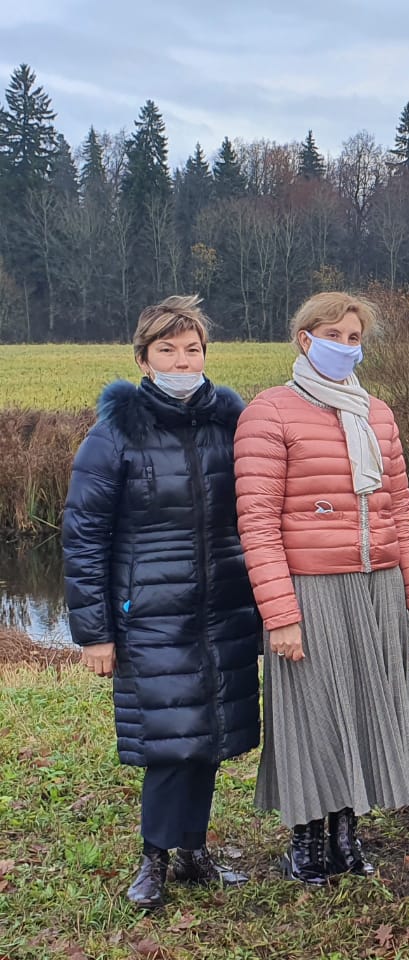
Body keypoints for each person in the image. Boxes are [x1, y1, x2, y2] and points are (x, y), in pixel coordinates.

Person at [63, 296, 260, 910]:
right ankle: (154, 857)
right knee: (169, 738)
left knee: (212, 731)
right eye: (167, 350)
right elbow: (83, 533)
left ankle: (194, 849)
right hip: (148, 610)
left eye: (192, 349)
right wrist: (95, 632)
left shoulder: (231, 421)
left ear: (206, 353)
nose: (182, 360)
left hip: (223, 602)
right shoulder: (116, 431)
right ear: (144, 360)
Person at [234, 292, 409, 884]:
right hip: (310, 587)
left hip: (378, 583)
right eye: (335, 335)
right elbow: (258, 523)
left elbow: (400, 510)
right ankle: (306, 843)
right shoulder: (269, 413)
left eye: (355, 338)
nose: (347, 347)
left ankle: (346, 835)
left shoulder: (378, 414)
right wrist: (281, 614)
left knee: (364, 706)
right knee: (310, 712)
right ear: (305, 339)